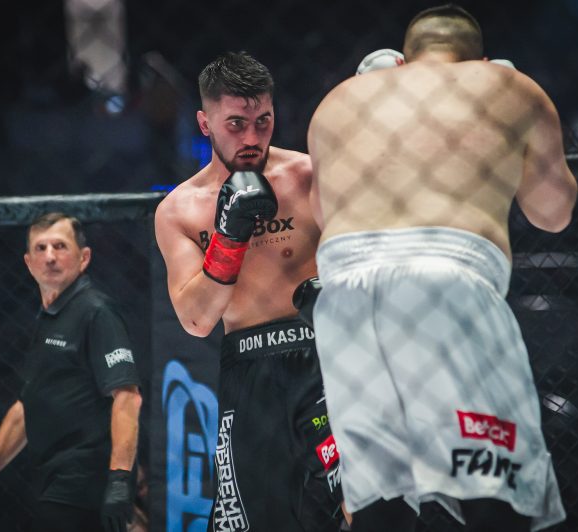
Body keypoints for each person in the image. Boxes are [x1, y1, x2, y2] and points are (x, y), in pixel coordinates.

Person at [306, 4, 578, 532]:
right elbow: (553, 213)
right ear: (479, 60)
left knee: (380, 503)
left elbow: (323, 213)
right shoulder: (505, 85)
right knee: (494, 489)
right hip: (446, 281)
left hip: (344, 298)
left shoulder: (339, 99)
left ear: (401, 60)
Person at [154, 51, 344, 532]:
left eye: (263, 121)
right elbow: (196, 320)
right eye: (236, 124)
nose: (253, 138)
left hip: (325, 357)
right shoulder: (179, 210)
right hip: (249, 372)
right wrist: (229, 236)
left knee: (357, 504)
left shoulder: (309, 176)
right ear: (205, 123)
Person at [0, 212, 142, 532]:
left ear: (84, 258)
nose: (50, 257)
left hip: (86, 481)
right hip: (49, 478)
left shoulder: (96, 312)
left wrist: (119, 478)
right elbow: (28, 405)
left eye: (60, 246)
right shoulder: (49, 317)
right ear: (28, 262)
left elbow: (127, 397)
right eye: (41, 248)